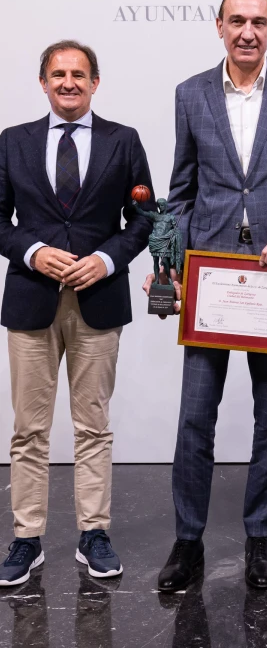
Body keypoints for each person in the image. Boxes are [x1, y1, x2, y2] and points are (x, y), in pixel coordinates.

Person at [148, 0, 267, 592]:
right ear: (218, 26)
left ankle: (259, 538)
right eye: (236, 21)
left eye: (258, 22)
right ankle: (188, 542)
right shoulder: (190, 93)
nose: (247, 31)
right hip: (209, 278)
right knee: (195, 416)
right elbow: (182, 187)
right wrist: (168, 257)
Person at [0, 40, 154, 586]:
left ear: (95, 82)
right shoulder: (13, 142)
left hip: (97, 300)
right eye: (58, 74)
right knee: (28, 430)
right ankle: (26, 538)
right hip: (30, 299)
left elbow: (144, 219)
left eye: (79, 74)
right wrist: (33, 252)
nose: (69, 82)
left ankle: (94, 532)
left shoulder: (123, 140)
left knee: (93, 425)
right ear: (43, 82)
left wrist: (107, 259)